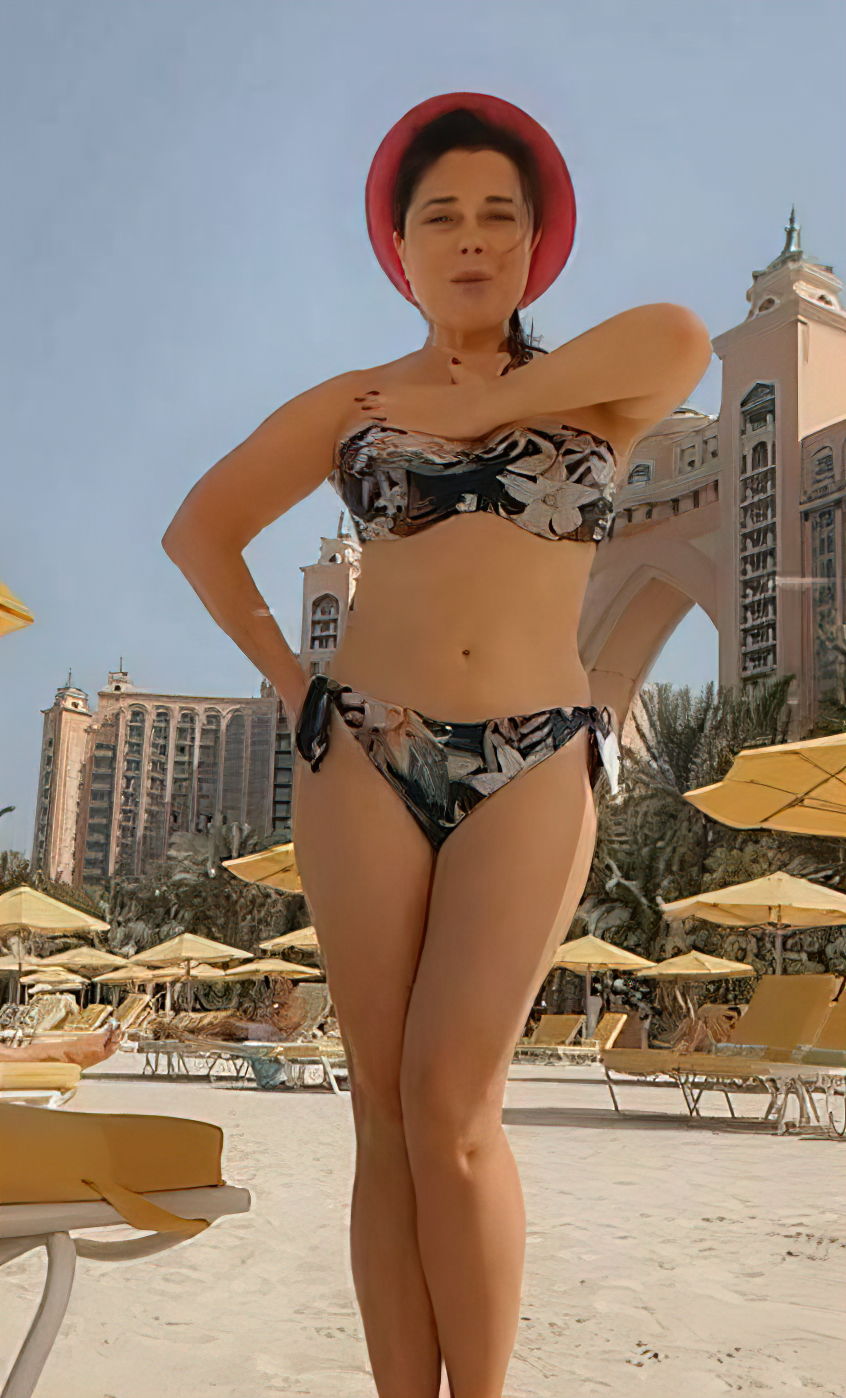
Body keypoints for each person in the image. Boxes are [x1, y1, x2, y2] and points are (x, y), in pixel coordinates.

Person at [162, 91, 711, 1398]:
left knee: (454, 1108)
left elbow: (683, 336)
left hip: (536, 751)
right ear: (399, 247)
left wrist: (473, 411)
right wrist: (292, 681)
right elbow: (201, 530)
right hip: (364, 745)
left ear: (535, 243)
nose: (470, 236)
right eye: (441, 215)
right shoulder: (354, 401)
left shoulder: (598, 391)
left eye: (497, 215)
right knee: (383, 1110)